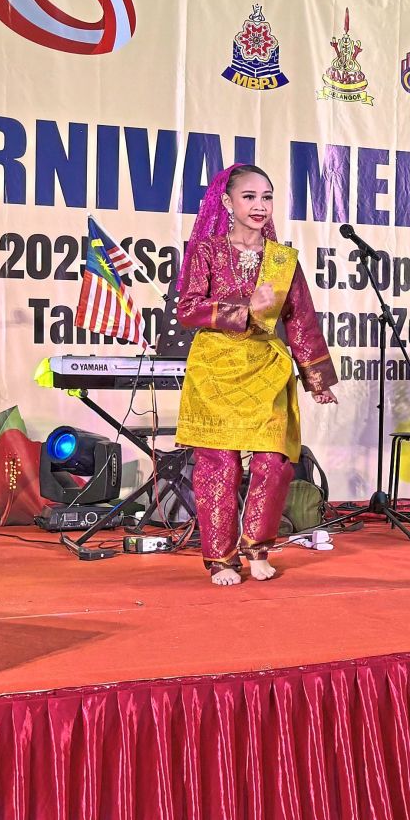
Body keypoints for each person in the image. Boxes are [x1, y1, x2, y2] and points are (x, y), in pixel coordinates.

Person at [176, 164, 338, 586]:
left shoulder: (282, 260)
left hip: (265, 366)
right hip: (215, 368)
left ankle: (257, 546)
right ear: (227, 203)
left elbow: (300, 319)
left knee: (275, 463)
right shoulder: (207, 251)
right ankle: (221, 558)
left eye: (266, 197)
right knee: (220, 467)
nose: (259, 205)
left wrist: (316, 381)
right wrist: (246, 306)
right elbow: (188, 309)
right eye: (249, 197)